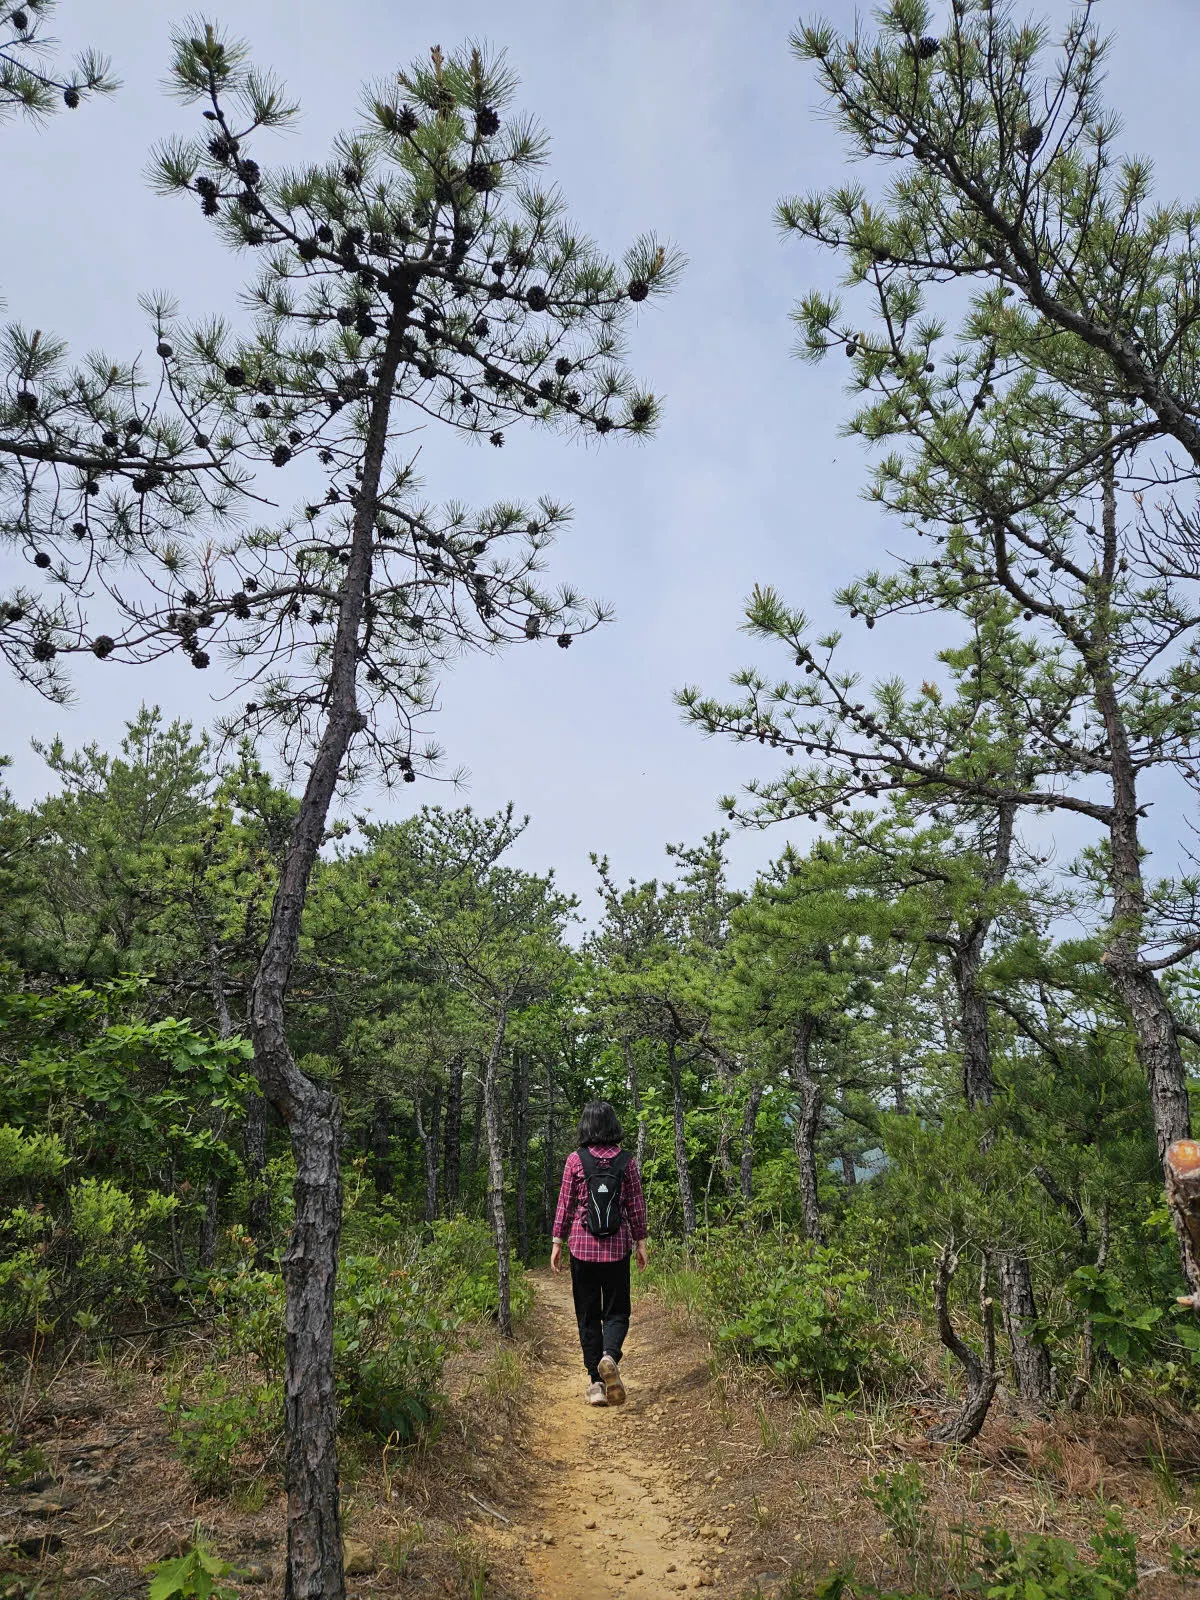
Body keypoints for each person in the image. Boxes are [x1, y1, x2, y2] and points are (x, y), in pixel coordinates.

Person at [550, 1100, 648, 1407]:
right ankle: (610, 1356)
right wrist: (641, 1242)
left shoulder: (575, 1160)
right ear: (613, 1125)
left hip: (582, 1248)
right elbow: (636, 1204)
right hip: (617, 1249)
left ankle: (595, 1384)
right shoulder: (626, 1161)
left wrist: (557, 1241)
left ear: (586, 1126)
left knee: (588, 1314)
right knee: (617, 1311)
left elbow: (565, 1204)